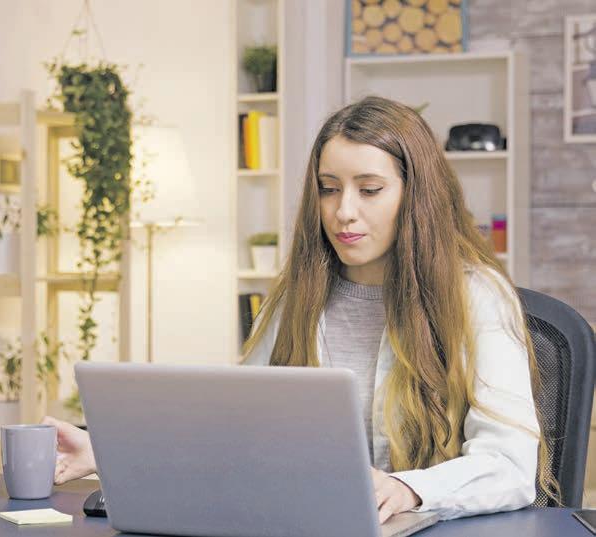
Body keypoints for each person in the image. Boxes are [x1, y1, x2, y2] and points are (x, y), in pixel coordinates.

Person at [41, 96, 556, 524]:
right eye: (329, 189)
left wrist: (407, 489)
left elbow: (509, 465)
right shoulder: (296, 298)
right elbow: (231, 433)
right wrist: (105, 454)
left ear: (415, 195)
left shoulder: (475, 295)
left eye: (369, 190)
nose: (343, 211)